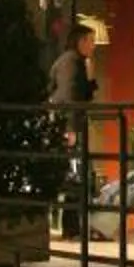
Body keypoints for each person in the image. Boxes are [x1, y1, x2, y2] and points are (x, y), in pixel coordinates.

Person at [47, 21, 97, 238]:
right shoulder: (73, 63)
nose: (93, 46)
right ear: (81, 41)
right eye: (91, 41)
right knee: (76, 176)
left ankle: (71, 225)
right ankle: (71, 226)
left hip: (64, 123)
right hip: (71, 125)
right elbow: (73, 96)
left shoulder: (66, 61)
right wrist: (71, 129)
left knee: (73, 176)